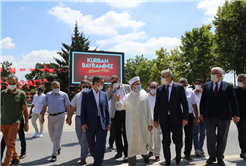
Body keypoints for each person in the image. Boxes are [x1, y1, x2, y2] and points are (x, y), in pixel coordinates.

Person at [200, 67, 240, 166]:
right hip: (209, 116)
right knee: (210, 137)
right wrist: (201, 113)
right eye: (211, 73)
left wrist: (236, 115)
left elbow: (233, 101)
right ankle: (212, 156)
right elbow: (203, 101)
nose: (212, 75)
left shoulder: (228, 86)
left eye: (215, 73)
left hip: (224, 116)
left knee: (222, 138)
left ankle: (220, 157)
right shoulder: (206, 86)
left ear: (220, 75)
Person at [114, 76, 153, 166]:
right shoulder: (127, 97)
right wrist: (118, 101)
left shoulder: (144, 95)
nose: (139, 85)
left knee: (143, 141)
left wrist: (150, 122)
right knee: (132, 143)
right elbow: (121, 106)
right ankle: (132, 161)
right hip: (131, 125)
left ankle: (145, 156)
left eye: (139, 84)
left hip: (143, 124)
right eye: (137, 84)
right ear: (132, 86)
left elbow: (148, 109)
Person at [154, 69, 189, 166]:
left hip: (177, 119)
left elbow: (185, 104)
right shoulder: (159, 89)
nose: (162, 79)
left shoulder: (179, 87)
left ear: (169, 77)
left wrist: (185, 117)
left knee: (178, 141)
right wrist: (155, 120)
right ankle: (167, 161)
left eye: (163, 77)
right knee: (166, 142)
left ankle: (178, 154)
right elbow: (157, 105)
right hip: (164, 119)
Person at [81, 75, 111, 166]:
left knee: (101, 145)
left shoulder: (104, 95)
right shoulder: (86, 94)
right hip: (89, 123)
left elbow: (106, 110)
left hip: (102, 122)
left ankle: (97, 163)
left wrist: (108, 122)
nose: (103, 84)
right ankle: (95, 155)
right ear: (96, 83)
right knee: (91, 144)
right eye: (102, 82)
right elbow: (83, 109)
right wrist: (83, 122)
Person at [0, 75, 29, 166]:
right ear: (7, 83)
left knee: (11, 142)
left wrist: (27, 123)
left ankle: (6, 163)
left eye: (14, 83)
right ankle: (16, 158)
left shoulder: (21, 93)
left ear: (17, 83)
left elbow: (25, 109)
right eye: (10, 83)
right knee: (7, 142)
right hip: (4, 121)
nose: (12, 85)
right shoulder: (2, 93)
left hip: (15, 121)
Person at [40, 81, 71, 162]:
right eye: (55, 87)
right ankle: (58, 146)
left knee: (57, 136)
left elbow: (68, 106)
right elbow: (44, 106)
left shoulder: (64, 95)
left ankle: (54, 154)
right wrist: (42, 117)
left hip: (60, 116)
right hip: (50, 116)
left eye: (58, 87)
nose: (56, 89)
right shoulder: (48, 95)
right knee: (52, 135)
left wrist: (69, 117)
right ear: (51, 88)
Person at [67, 80, 91, 165]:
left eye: (86, 86)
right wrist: (69, 117)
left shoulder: (92, 95)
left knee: (84, 138)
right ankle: (86, 149)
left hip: (88, 120)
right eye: (83, 86)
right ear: (80, 87)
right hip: (78, 118)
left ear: (89, 86)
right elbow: (73, 107)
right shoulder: (77, 96)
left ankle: (83, 157)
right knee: (79, 137)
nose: (85, 88)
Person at [107, 75, 131, 160]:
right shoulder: (112, 89)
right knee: (117, 133)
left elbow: (131, 97)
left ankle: (127, 153)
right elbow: (107, 98)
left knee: (126, 133)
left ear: (119, 80)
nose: (114, 84)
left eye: (115, 82)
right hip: (116, 113)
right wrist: (110, 91)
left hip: (126, 112)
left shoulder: (127, 87)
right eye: (112, 82)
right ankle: (119, 151)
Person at [179, 78, 199, 160]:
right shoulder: (175, 92)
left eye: (184, 85)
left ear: (187, 84)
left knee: (189, 135)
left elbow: (194, 106)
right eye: (181, 85)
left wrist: (197, 118)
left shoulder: (191, 93)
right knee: (178, 136)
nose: (183, 86)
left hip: (189, 115)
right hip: (178, 116)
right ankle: (178, 153)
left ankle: (187, 153)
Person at [148, 81, 161, 162]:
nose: (153, 89)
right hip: (148, 119)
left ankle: (157, 154)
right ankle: (151, 150)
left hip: (157, 119)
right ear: (149, 88)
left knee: (157, 137)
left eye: (154, 87)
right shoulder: (145, 96)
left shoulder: (160, 96)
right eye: (151, 87)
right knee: (149, 137)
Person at [234, 74, 246, 160]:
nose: (239, 82)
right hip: (240, 115)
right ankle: (244, 151)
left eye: (241, 80)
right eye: (238, 80)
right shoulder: (235, 90)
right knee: (242, 133)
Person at [192, 79, 206, 156]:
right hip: (195, 116)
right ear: (194, 84)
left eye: (199, 83)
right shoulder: (192, 93)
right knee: (195, 132)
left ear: (201, 84)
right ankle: (196, 148)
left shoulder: (205, 93)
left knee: (203, 133)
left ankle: (201, 147)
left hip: (203, 116)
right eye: (196, 83)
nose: (197, 84)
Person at [105, 85, 114, 150]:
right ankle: (103, 145)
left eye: (110, 88)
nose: (109, 89)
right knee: (104, 132)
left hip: (112, 115)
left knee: (112, 131)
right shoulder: (104, 96)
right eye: (108, 89)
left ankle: (111, 144)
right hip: (105, 116)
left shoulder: (114, 96)